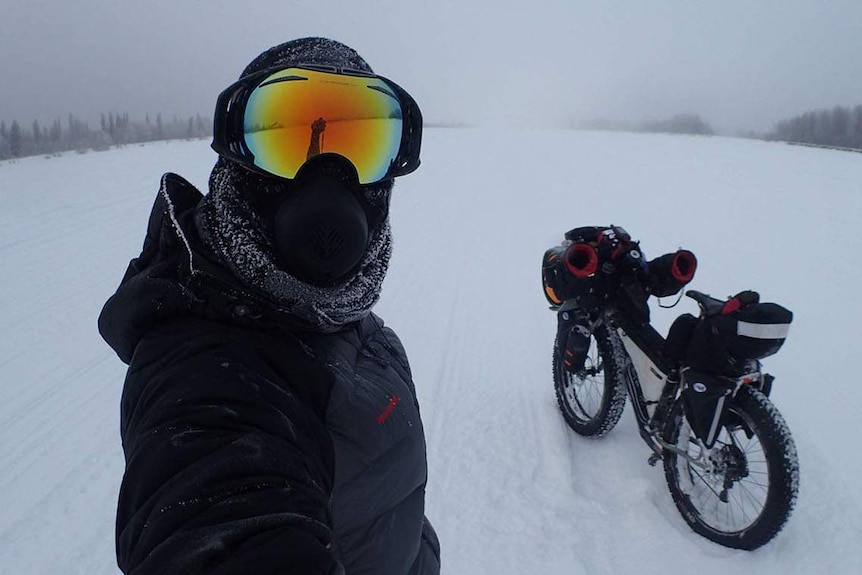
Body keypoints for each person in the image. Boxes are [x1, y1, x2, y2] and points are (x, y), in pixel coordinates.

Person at [98, 37, 440, 575]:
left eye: (362, 145)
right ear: (235, 163)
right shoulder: (203, 371)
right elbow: (218, 508)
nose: (330, 174)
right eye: (288, 140)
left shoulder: (339, 317)